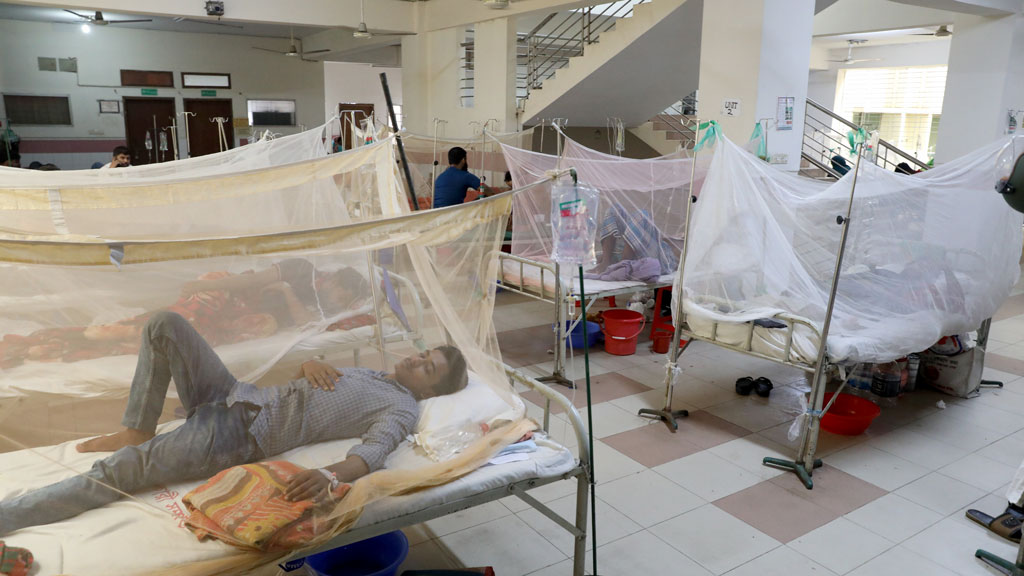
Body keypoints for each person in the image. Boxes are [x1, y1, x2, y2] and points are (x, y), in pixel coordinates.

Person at [0, 310, 469, 534]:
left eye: (427, 368)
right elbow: (305, 389)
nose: (416, 360)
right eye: (424, 353)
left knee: (119, 470)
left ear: (430, 392)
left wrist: (331, 475)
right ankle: (138, 426)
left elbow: (374, 450)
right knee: (163, 325)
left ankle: (9, 517)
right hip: (232, 394)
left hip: (236, 434)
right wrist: (308, 365)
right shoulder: (373, 373)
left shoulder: (402, 408)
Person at [591, 203, 676, 276]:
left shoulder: (677, 248)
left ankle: (623, 265)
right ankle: (606, 262)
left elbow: (675, 253)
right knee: (614, 208)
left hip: (653, 258)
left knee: (641, 214)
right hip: (627, 251)